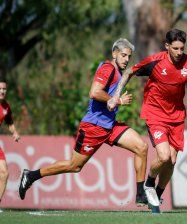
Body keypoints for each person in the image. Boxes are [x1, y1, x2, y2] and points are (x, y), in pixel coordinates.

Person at [18, 38, 150, 207]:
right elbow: (94, 92)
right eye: (123, 55)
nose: (126, 59)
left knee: (142, 147)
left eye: (128, 57)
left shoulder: (119, 72)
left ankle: (140, 195)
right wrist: (117, 100)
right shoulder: (107, 68)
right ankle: (31, 176)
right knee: (74, 166)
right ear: (114, 54)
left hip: (110, 125)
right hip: (93, 127)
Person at [108, 29, 187, 212]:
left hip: (177, 117)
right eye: (175, 48)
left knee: (171, 160)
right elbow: (128, 73)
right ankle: (148, 184)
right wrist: (115, 97)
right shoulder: (155, 61)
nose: (179, 52)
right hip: (155, 113)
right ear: (167, 46)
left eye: (182, 48)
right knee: (163, 155)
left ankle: (157, 193)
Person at [0, 79, 20, 211]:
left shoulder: (6, 107)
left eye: (4, 89)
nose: (2, 91)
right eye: (0, 89)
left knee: (4, 173)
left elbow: (9, 122)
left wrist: (15, 132)